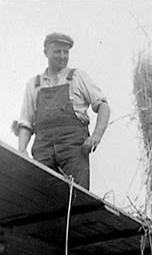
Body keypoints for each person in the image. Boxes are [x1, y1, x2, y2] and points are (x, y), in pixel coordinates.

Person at [13, 32, 111, 190]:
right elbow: (25, 123)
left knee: (76, 198)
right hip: (43, 151)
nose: (62, 56)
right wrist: (22, 151)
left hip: (73, 149)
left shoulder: (77, 77)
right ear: (46, 52)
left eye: (66, 52)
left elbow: (103, 107)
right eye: (57, 51)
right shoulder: (34, 84)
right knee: (41, 197)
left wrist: (97, 135)